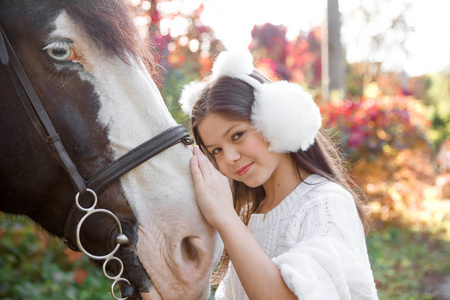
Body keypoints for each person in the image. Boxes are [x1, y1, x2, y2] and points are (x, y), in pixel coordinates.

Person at [179, 50, 378, 300]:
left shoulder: (326, 204)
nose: (228, 158)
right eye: (216, 150)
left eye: (237, 135)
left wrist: (225, 218)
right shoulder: (249, 218)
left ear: (274, 119)